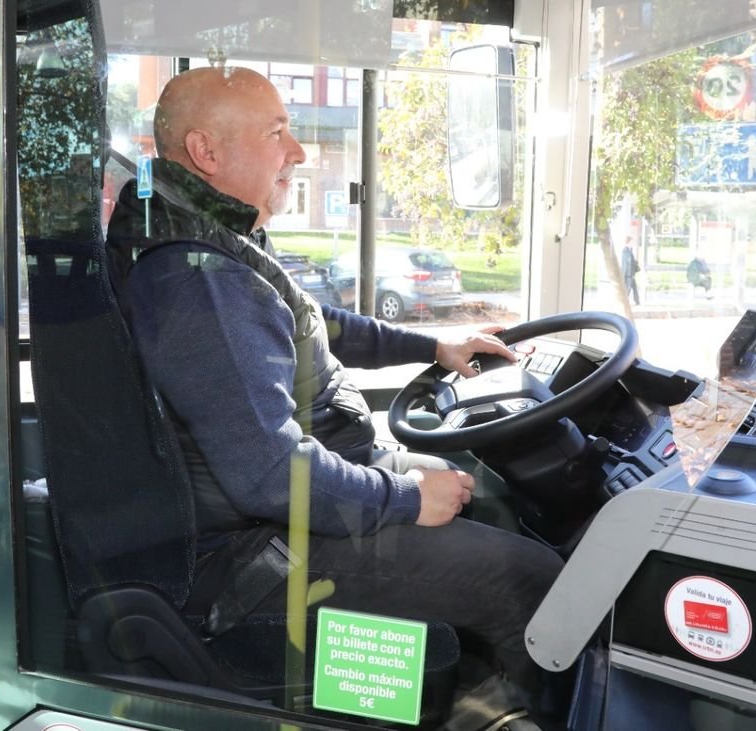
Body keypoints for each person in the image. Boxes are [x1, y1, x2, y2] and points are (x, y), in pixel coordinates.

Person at [105, 67, 564, 712]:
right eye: (277, 133)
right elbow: (267, 475)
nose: (297, 152)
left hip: (290, 504)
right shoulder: (199, 280)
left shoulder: (212, 238)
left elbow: (309, 324)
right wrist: (404, 499)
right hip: (255, 557)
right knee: (538, 583)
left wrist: (433, 346)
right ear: (206, 152)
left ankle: (473, 689)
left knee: (486, 497)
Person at [620, 237, 641, 305]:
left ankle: (637, 302)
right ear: (629, 242)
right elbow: (628, 263)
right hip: (628, 275)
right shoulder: (626, 251)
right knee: (628, 289)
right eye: (632, 242)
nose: (633, 243)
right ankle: (624, 302)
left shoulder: (629, 251)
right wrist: (628, 275)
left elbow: (631, 262)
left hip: (630, 274)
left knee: (634, 288)